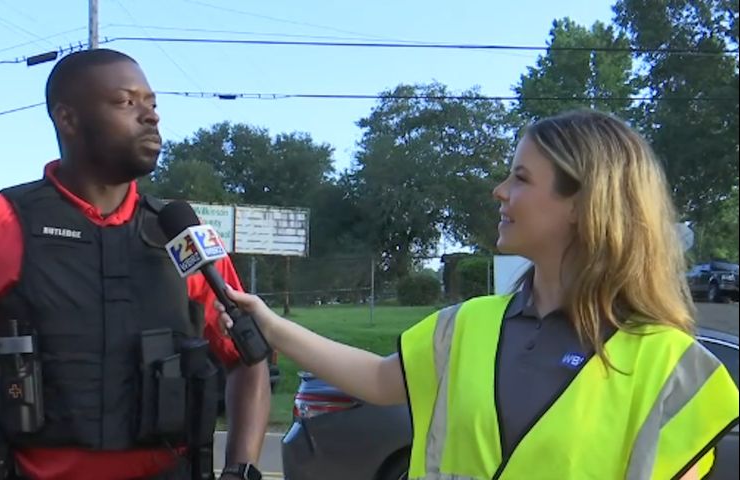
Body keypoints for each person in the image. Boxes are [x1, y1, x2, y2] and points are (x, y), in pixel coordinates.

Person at [215, 110, 740, 479]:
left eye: (521, 178)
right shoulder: (467, 324)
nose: (500, 191)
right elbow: (376, 379)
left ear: (583, 204)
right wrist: (270, 324)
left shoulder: (672, 370)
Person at [0, 49, 271, 480]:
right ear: (67, 119)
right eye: (126, 101)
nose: (151, 116)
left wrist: (241, 468)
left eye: (152, 102)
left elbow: (249, 356)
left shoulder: (181, 235)